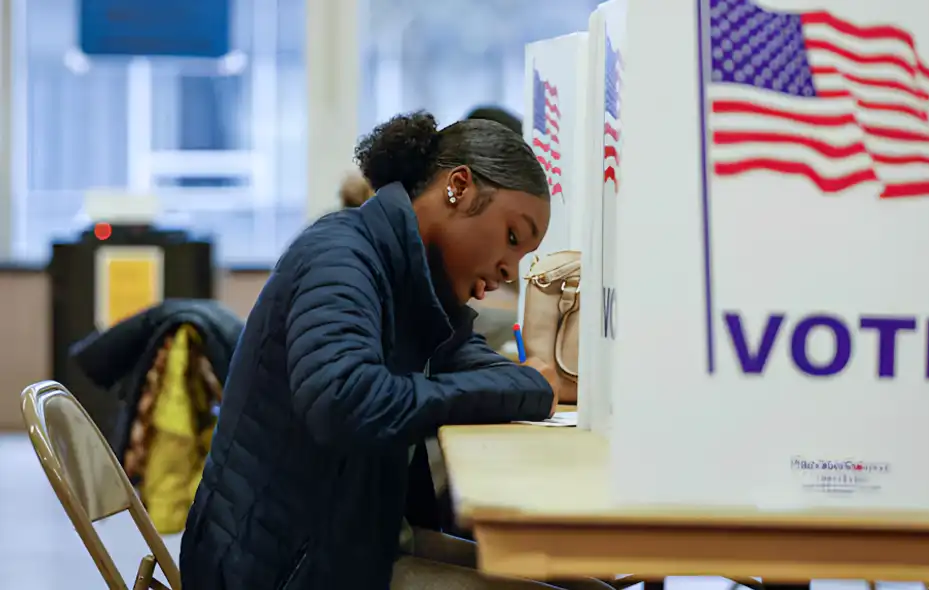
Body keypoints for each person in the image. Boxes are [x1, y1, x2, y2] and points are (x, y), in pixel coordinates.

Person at [179, 111, 609, 590]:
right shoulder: (340, 255)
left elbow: (468, 359)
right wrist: (527, 384)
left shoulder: (406, 273)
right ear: (459, 187)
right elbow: (344, 401)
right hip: (280, 570)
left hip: (354, 540)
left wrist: (531, 381)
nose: (510, 270)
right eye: (511, 237)